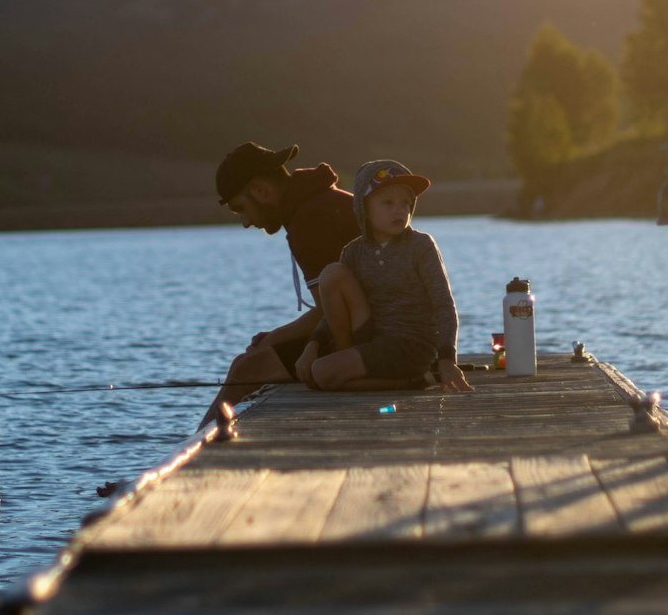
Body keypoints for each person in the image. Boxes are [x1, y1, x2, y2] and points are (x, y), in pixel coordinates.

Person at [198, 141, 360, 426]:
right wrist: (276, 336)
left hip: (380, 333)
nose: (246, 222)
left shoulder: (309, 221)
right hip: (377, 323)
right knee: (245, 364)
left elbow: (330, 314)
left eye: (241, 209)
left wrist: (274, 340)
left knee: (247, 369)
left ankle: (197, 445)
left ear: (261, 191)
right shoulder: (321, 202)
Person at [310, 159, 473, 394]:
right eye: (388, 202)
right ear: (364, 207)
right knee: (332, 274)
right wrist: (313, 345)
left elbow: (444, 305)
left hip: (411, 345)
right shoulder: (354, 252)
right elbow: (336, 309)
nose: (399, 210)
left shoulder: (420, 246)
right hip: (374, 340)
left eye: (405, 203)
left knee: (322, 374)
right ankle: (412, 379)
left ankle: (412, 380)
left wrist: (447, 358)